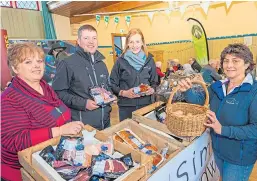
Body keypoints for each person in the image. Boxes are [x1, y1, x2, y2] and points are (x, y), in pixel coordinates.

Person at [1, 43, 84, 181]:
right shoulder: (9, 99)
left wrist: (69, 125)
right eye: (28, 62)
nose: (36, 65)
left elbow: (57, 112)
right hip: (23, 171)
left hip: (49, 159)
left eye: (39, 61)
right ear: (15, 68)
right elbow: (14, 140)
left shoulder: (45, 87)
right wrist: (59, 130)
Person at [178, 44, 257, 181]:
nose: (229, 65)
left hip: (239, 158)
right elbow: (199, 101)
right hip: (218, 151)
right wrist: (187, 91)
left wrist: (222, 129)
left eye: (235, 60)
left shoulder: (253, 91)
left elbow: (255, 129)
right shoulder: (218, 86)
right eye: (226, 60)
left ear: (247, 64)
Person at [52, 25, 111, 130]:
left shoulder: (101, 64)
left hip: (105, 123)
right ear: (78, 41)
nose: (91, 41)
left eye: (94, 38)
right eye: (86, 38)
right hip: (82, 127)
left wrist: (110, 96)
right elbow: (58, 93)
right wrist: (83, 103)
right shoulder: (67, 64)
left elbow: (106, 87)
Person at [110, 28, 158, 121]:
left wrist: (152, 89)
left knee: (145, 133)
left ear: (142, 43)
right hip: (126, 106)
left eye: (137, 41)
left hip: (146, 105)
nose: (134, 45)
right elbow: (112, 83)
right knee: (127, 133)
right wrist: (124, 93)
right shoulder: (120, 61)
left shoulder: (149, 60)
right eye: (131, 42)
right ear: (127, 43)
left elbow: (155, 82)